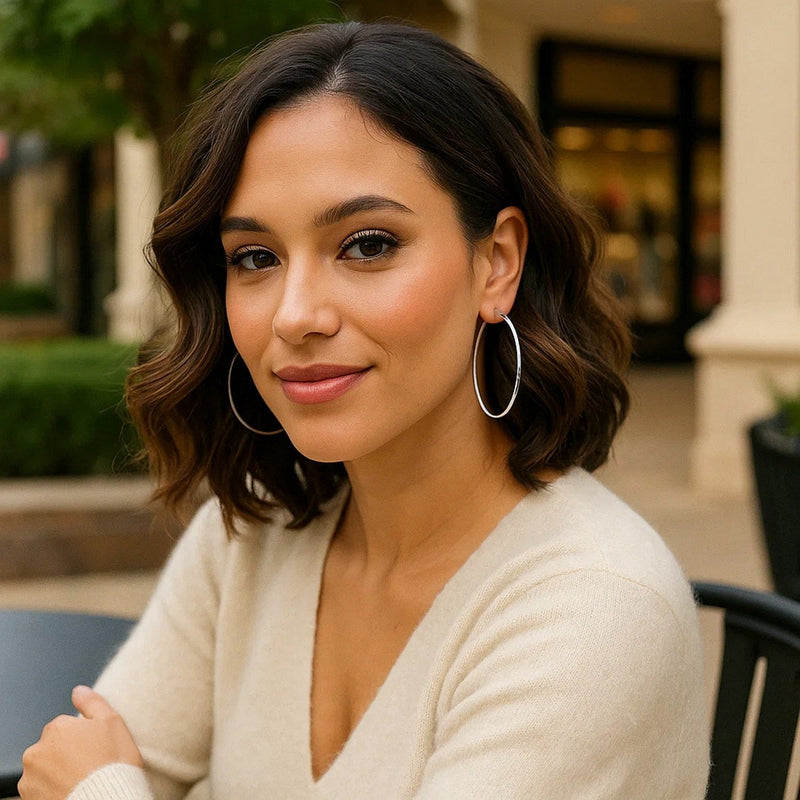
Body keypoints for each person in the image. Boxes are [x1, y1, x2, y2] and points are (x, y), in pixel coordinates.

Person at [19, 20, 709, 800]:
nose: (294, 315)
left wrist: (102, 789)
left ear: (497, 263)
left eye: (368, 244)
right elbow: (94, 759)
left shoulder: (594, 611)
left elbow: (90, 778)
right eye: (255, 257)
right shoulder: (252, 532)